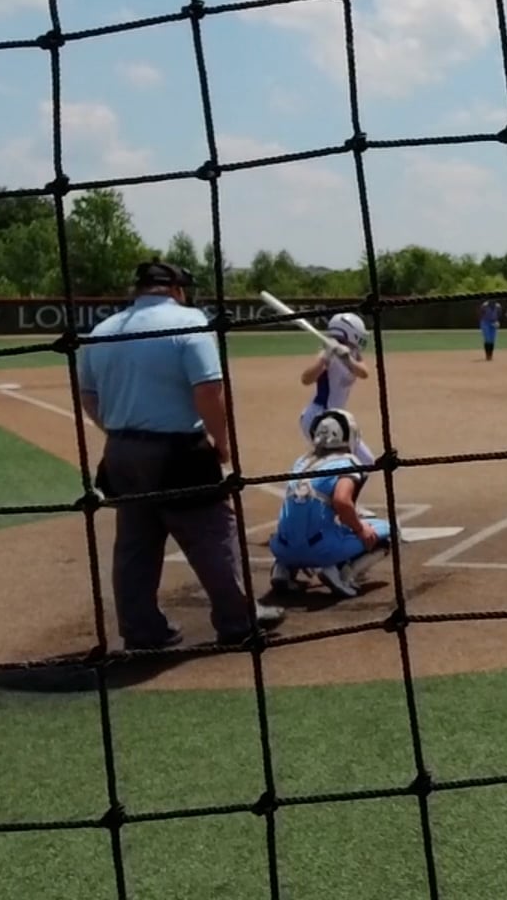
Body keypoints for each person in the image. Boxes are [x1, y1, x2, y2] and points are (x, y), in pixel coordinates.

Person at [76, 261, 284, 650]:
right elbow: (208, 390)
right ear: (176, 289)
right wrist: (222, 442)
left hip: (120, 452)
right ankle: (238, 620)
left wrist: (123, 435)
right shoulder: (190, 322)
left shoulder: (100, 331)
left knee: (136, 542)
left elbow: (88, 397)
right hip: (178, 452)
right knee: (213, 532)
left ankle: (141, 630)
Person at [267, 408, 397, 599]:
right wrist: (360, 529)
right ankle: (341, 573)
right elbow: (342, 502)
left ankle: (283, 569)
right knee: (388, 531)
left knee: (304, 523)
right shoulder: (347, 463)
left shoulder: (301, 463)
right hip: (321, 551)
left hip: (281, 548)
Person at [299, 312, 375, 466]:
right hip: (319, 417)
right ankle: (304, 476)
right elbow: (306, 379)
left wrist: (347, 359)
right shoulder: (326, 352)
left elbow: (364, 373)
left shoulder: (353, 353)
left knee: (366, 461)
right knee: (336, 463)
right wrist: (325, 358)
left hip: (337, 418)